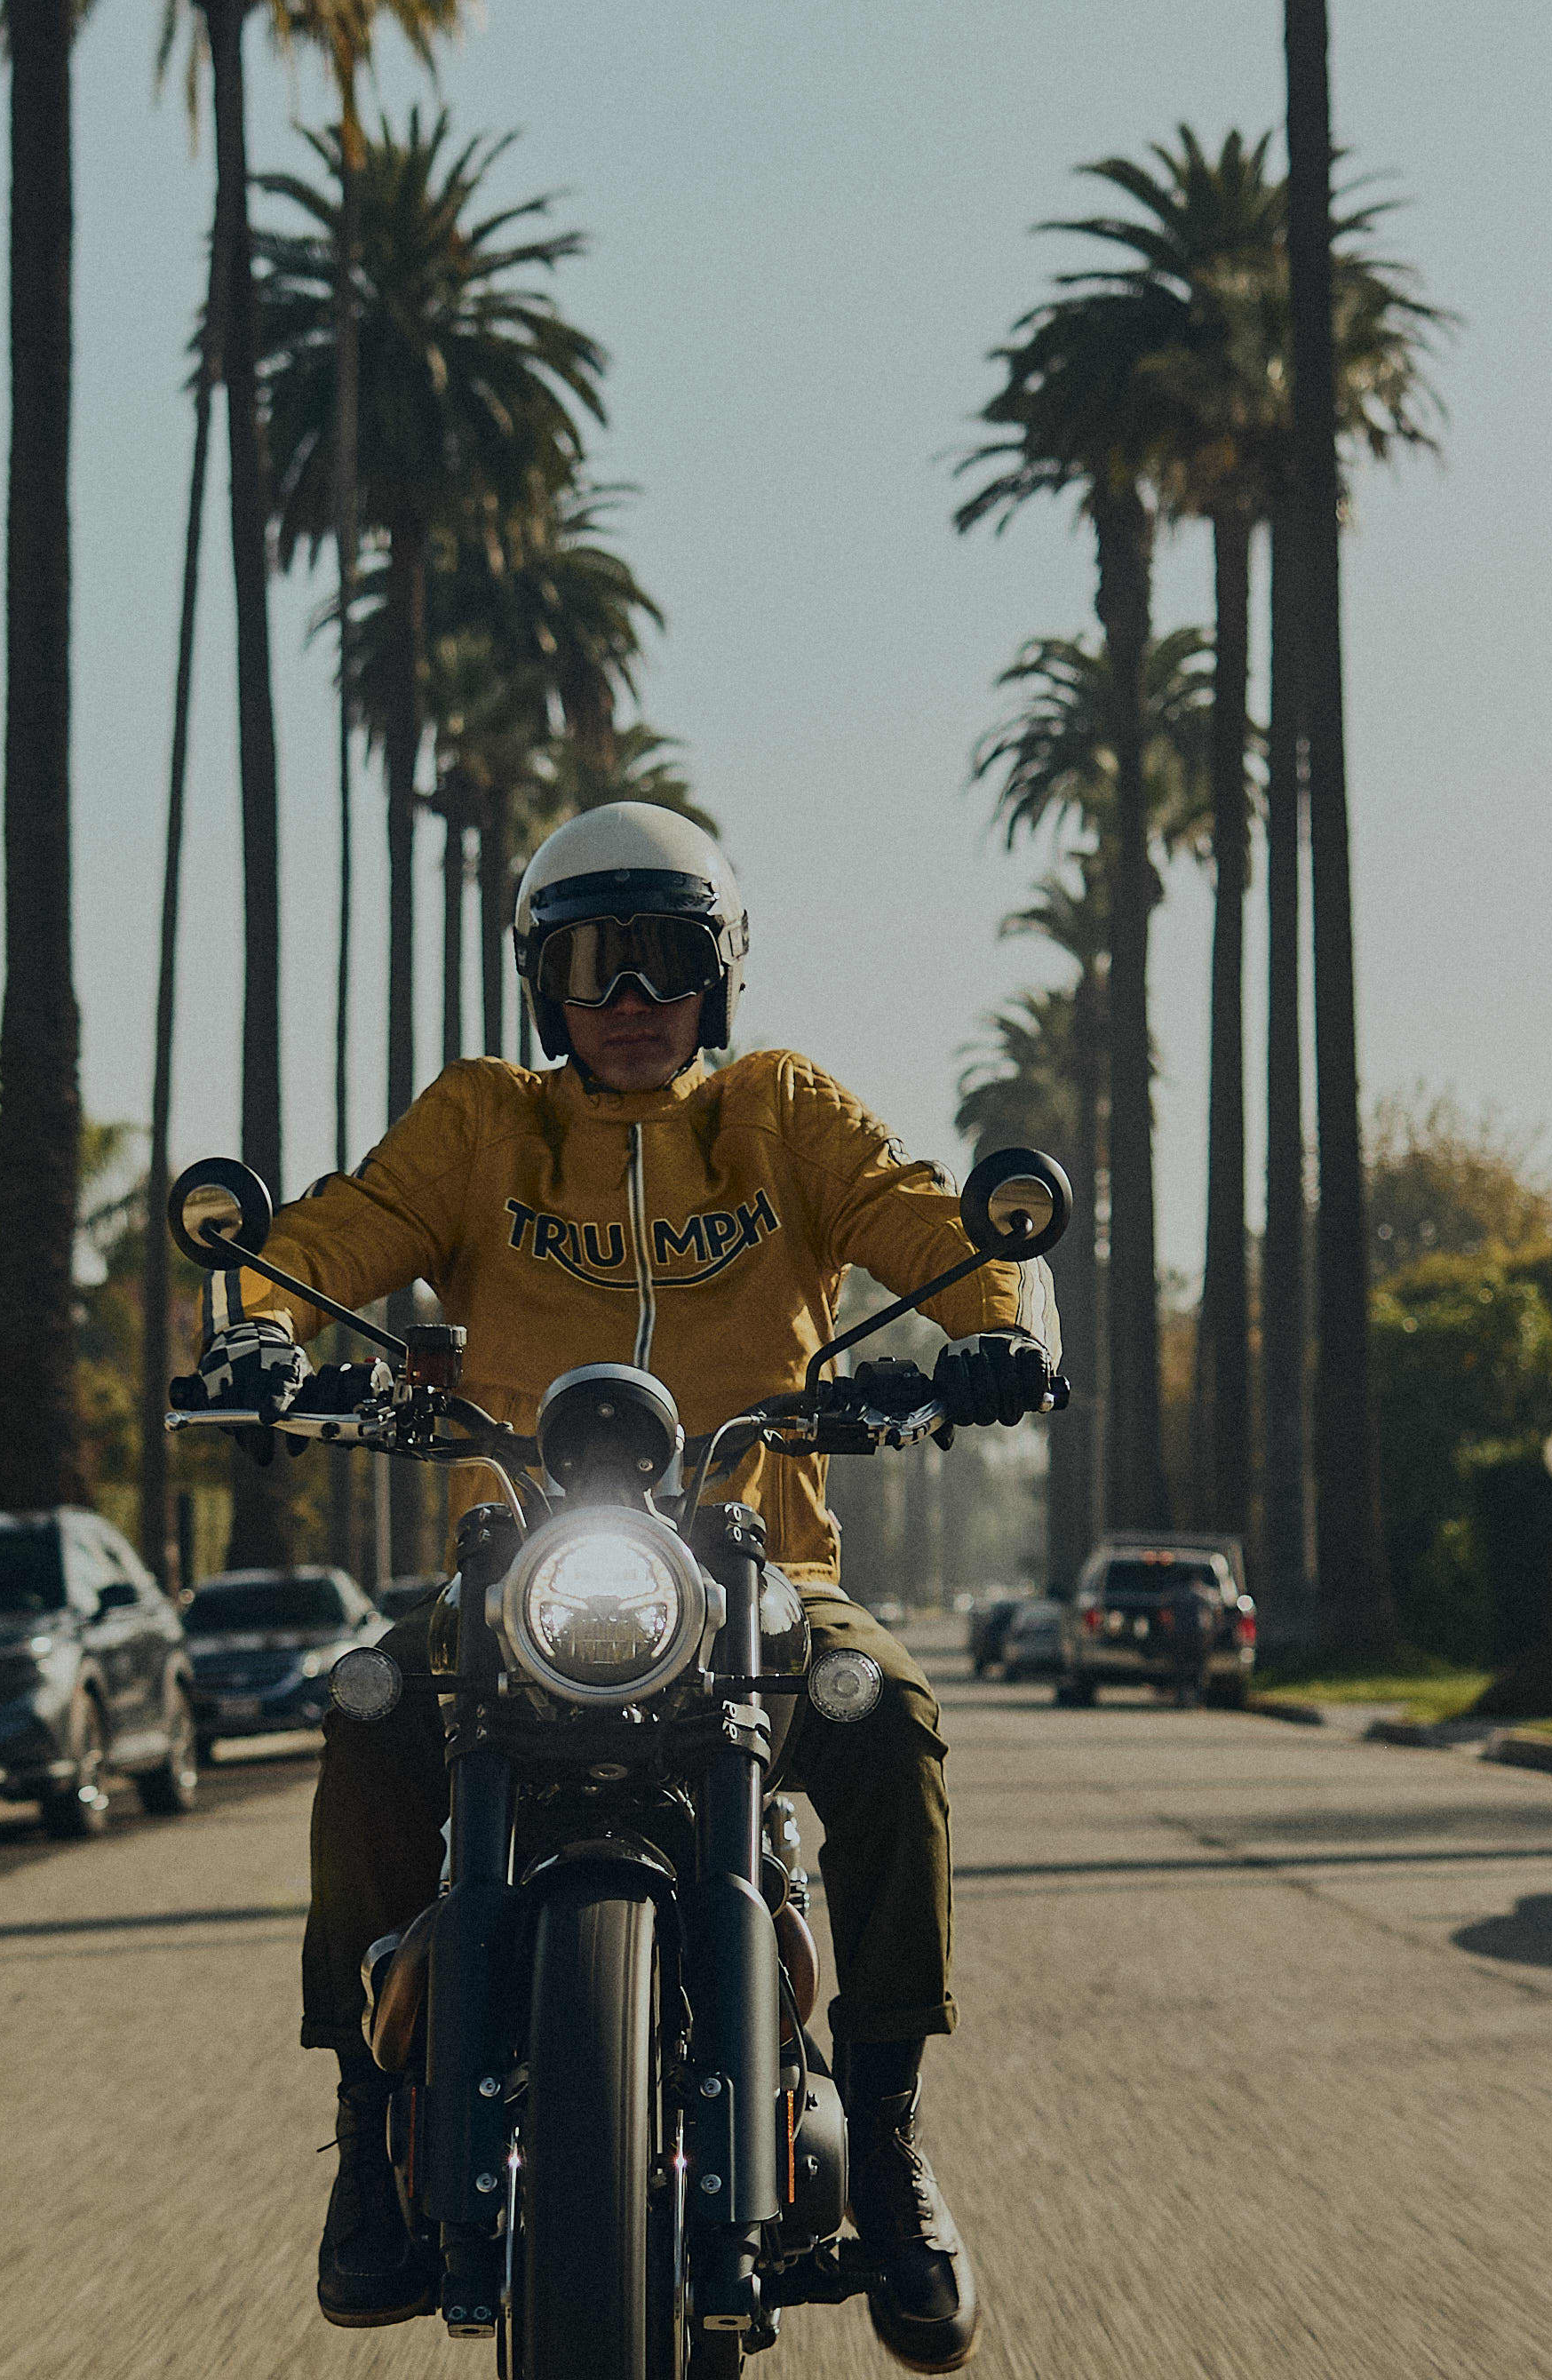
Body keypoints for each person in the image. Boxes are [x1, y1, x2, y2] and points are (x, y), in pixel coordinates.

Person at [195, 801, 1062, 2374]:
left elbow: (930, 1224)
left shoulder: (784, 1112)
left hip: (763, 1569)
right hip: (525, 1570)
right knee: (373, 1699)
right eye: (593, 956)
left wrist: (996, 1319)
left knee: (890, 1716)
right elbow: (338, 1234)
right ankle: (368, 2119)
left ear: (719, 972)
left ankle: (888, 2141)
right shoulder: (483, 1125)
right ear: (545, 979)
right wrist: (258, 1319)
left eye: (667, 952)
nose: (630, 991)